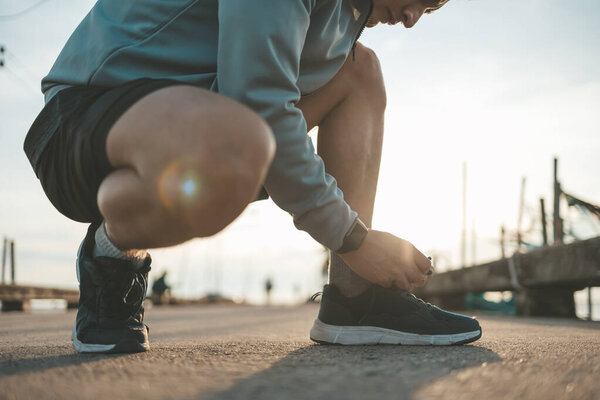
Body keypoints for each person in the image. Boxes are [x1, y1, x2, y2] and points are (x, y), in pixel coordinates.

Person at [24, 0, 481, 353]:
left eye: (431, 7)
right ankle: (112, 255)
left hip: (201, 133)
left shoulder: (341, 20)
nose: (411, 17)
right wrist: (355, 239)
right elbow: (259, 105)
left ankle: (355, 299)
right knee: (244, 136)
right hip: (78, 121)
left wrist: (351, 249)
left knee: (361, 73)